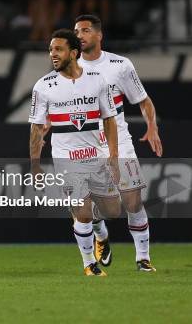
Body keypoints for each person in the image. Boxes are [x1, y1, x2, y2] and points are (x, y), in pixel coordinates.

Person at [29, 29, 120, 276]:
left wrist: (113, 155)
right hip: (66, 159)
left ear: (74, 52)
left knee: (110, 211)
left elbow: (110, 119)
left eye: (58, 49)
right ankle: (89, 263)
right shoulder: (44, 86)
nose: (53, 54)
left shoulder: (97, 80)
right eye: (50, 50)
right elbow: (37, 128)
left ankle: (102, 235)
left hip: (97, 154)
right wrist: (35, 165)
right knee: (82, 212)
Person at [75, 14, 159, 272]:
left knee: (133, 201)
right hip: (86, 142)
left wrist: (152, 127)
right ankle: (101, 237)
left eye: (85, 30)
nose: (79, 35)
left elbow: (142, 100)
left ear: (99, 35)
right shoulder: (69, 67)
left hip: (119, 140)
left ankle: (142, 258)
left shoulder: (119, 65)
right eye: (76, 31)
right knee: (90, 204)